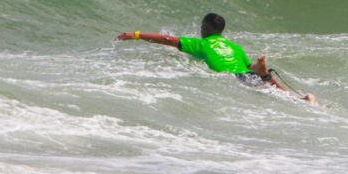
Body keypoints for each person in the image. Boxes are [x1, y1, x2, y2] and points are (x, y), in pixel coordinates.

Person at [116, 13, 316, 104]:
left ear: (204, 28)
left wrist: (136, 34)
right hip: (246, 72)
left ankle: (263, 73)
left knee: (258, 86)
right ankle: (299, 96)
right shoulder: (233, 46)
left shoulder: (201, 44)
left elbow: (167, 40)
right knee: (266, 82)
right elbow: (246, 65)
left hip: (235, 78)